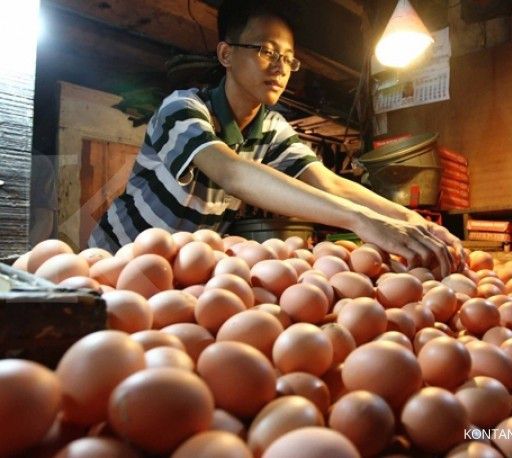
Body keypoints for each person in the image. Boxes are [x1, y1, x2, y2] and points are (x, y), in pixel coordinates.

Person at [88, 0, 463, 276]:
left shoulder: (269, 128)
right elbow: (231, 172)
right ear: (226, 54)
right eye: (267, 52)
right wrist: (360, 221)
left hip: (180, 271)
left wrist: (412, 219)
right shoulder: (183, 109)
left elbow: (328, 181)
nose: (281, 68)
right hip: (116, 262)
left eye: (288, 58)